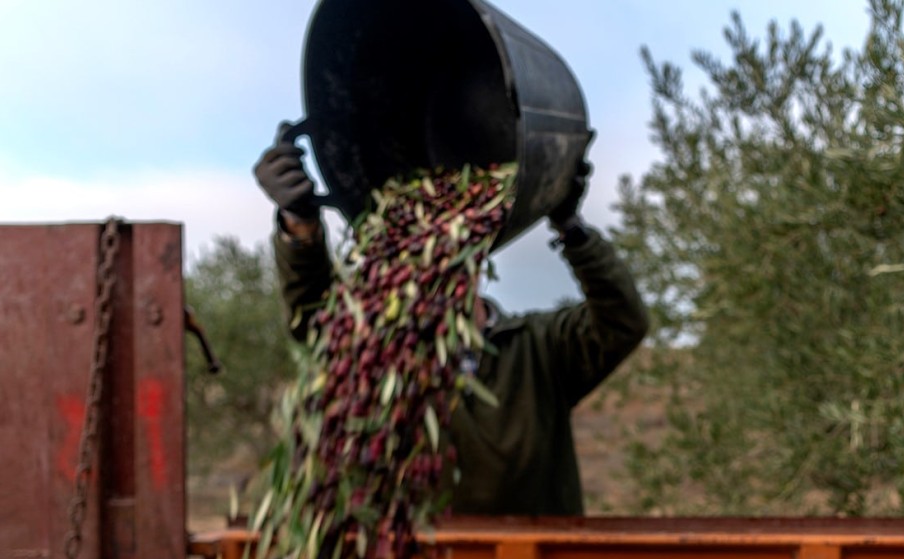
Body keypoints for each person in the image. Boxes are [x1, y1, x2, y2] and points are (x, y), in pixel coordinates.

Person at [252, 133, 649, 517]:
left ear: (472, 254)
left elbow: (622, 320)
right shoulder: (382, 354)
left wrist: (569, 224)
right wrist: (300, 224)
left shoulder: (541, 346)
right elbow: (319, 324)